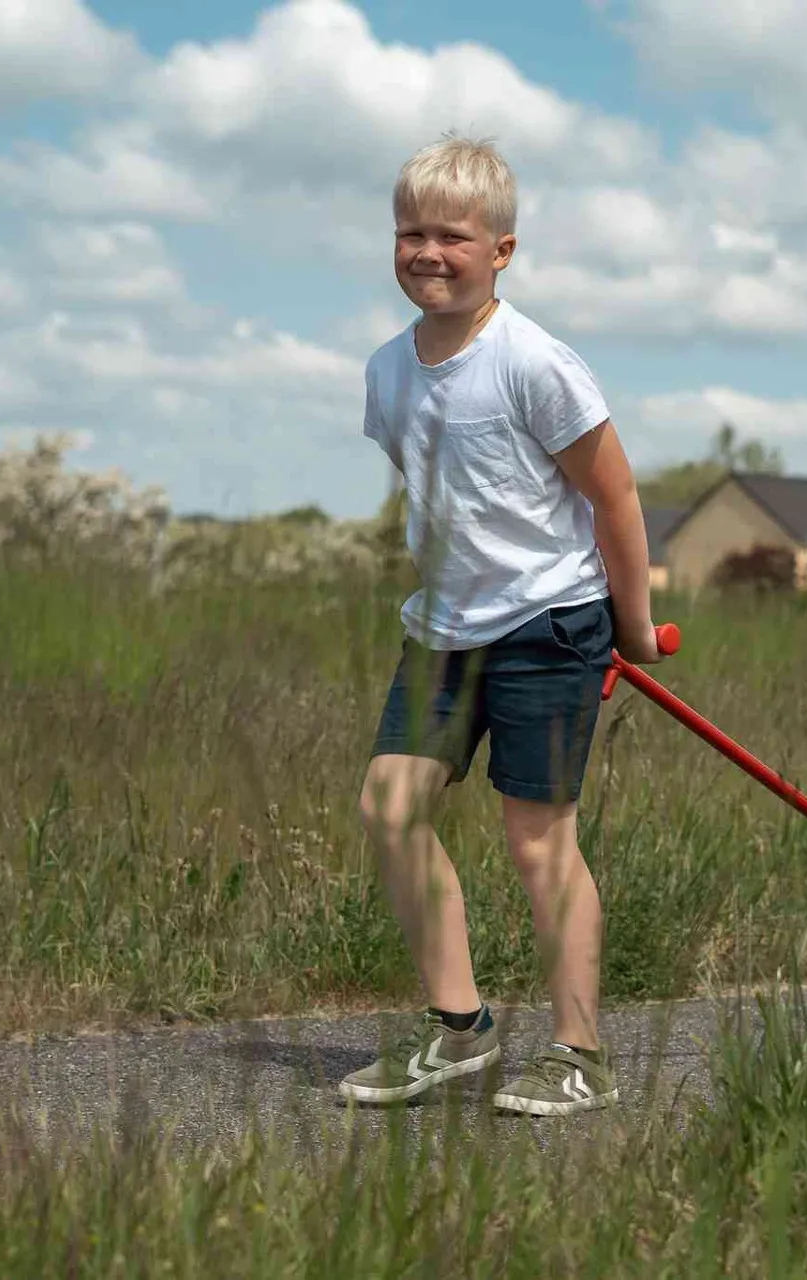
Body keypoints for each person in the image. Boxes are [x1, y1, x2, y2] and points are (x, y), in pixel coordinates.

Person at [343, 135, 662, 1116]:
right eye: (410, 233)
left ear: (502, 250)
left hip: (549, 626)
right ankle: (461, 1029)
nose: (427, 252)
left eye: (452, 235)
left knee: (539, 842)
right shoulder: (388, 370)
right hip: (441, 631)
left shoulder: (534, 362)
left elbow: (612, 498)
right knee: (390, 806)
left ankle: (580, 1053)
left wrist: (632, 623)